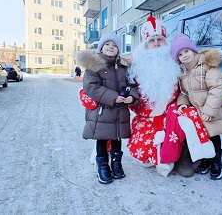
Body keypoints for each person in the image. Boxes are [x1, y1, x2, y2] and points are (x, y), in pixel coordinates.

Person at [127, 16, 196, 177]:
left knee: (185, 117)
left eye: (160, 39)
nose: (157, 43)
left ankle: (183, 156)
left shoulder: (176, 63)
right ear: (145, 44)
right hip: (146, 117)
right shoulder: (136, 67)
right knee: (146, 160)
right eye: (152, 40)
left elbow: (188, 87)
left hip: (171, 114)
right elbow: (131, 93)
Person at [171, 33, 222, 180]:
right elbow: (184, 92)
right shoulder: (184, 73)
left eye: (186, 51)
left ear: (193, 50)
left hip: (214, 109)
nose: (184, 56)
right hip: (199, 111)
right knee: (204, 136)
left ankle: (217, 161)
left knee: (214, 135)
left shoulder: (207, 65)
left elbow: (217, 88)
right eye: (180, 54)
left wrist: (209, 110)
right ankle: (208, 158)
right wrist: (182, 104)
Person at [77, 33, 138, 184]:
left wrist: (133, 97)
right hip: (102, 111)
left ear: (119, 49)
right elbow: (91, 87)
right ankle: (102, 166)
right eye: (107, 44)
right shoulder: (94, 65)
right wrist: (113, 97)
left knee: (117, 138)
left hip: (120, 110)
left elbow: (132, 85)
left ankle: (116, 164)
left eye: (115, 45)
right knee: (102, 139)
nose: (111, 47)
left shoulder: (124, 67)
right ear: (101, 48)